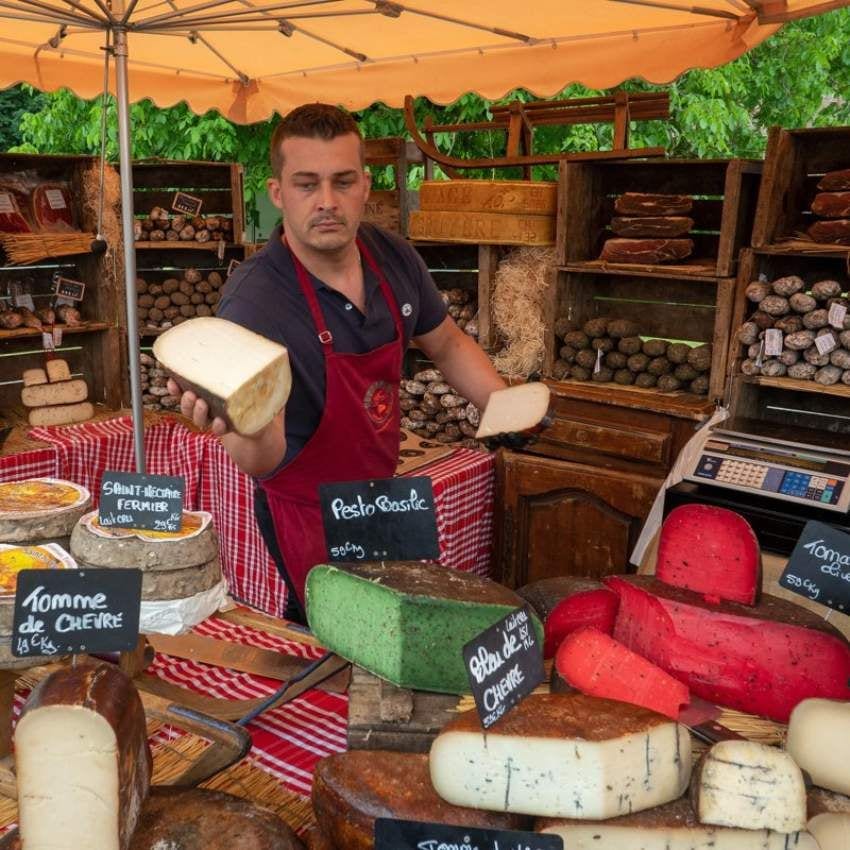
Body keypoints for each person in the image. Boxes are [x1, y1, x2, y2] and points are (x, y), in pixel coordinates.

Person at [170, 103, 507, 624]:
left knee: (391, 621)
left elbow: (447, 344)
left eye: (343, 181)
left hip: (380, 494)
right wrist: (241, 426)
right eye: (306, 184)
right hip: (306, 509)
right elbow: (262, 458)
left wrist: (504, 407)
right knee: (331, 628)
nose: (327, 202)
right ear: (278, 192)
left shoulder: (393, 257)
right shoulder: (255, 303)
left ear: (366, 185)